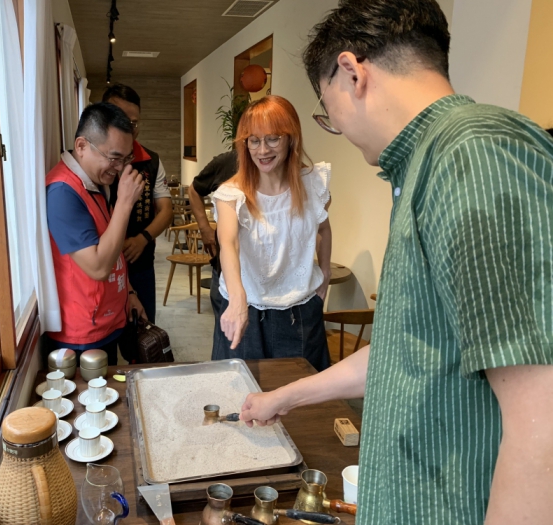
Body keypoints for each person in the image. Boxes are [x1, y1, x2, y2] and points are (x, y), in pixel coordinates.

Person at [240, 1, 553, 524]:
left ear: (351, 72)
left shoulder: (474, 155)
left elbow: (542, 419)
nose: (338, 128)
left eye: (328, 113)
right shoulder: (425, 166)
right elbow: (406, 350)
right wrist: (285, 397)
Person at [212, 95, 332, 371]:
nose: (262, 150)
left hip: (300, 312)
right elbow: (229, 244)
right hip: (246, 310)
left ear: (291, 138)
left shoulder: (314, 183)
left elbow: (323, 227)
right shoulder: (231, 194)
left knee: (303, 392)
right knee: (241, 391)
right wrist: (237, 298)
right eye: (254, 141)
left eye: (273, 139)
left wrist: (325, 273)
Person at [45, 102, 146, 364]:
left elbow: (112, 246)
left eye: (126, 159)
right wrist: (125, 203)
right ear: (81, 146)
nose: (120, 167)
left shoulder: (96, 181)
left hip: (107, 319)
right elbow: (98, 267)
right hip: (82, 334)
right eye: (114, 157)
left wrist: (130, 294)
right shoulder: (62, 192)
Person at [102, 84, 173, 323]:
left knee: (143, 329)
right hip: (103, 265)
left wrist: (143, 238)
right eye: (121, 120)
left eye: (133, 123)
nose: (129, 129)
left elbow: (166, 211)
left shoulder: (151, 161)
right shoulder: (94, 162)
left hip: (139, 262)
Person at [188, 150, 238, 358]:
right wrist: (204, 227)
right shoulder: (227, 162)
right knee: (227, 341)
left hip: (266, 282)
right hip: (224, 270)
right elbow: (194, 190)